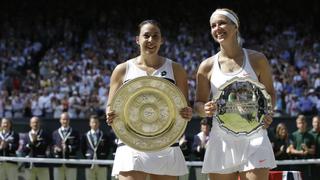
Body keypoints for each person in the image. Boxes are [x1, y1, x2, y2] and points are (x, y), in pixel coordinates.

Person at [194, 8, 276, 180]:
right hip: (220, 140)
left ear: (235, 26)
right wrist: (205, 109)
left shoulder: (257, 59)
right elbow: (198, 104)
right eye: (213, 25)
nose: (217, 28)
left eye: (222, 23)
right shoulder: (206, 66)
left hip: (255, 137)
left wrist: (269, 113)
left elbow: (269, 93)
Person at [106, 20, 193, 180]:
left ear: (162, 40)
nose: (151, 40)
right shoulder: (122, 70)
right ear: (137, 39)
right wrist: (109, 114)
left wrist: (187, 112)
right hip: (131, 143)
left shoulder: (176, 70)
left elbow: (183, 107)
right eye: (146, 36)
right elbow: (111, 106)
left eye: (155, 36)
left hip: (166, 143)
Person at [81, 115, 112, 180]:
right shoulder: (85, 135)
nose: (94, 124)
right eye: (93, 122)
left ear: (99, 123)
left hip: (102, 163)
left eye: (96, 122)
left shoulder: (104, 135)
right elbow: (83, 149)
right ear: (89, 123)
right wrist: (88, 156)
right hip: (89, 164)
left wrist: (103, 156)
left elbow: (107, 148)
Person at [52, 112, 80, 180]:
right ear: (60, 120)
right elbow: (52, 146)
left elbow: (78, 146)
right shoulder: (55, 133)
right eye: (63, 119)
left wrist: (68, 148)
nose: (65, 121)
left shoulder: (75, 132)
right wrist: (55, 149)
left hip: (71, 162)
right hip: (58, 163)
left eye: (67, 119)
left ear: (69, 120)